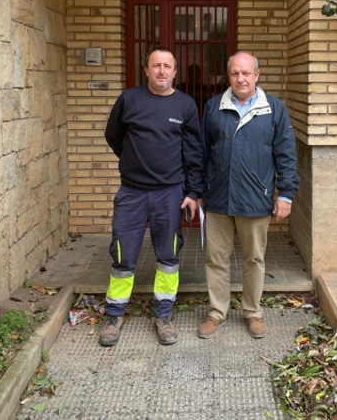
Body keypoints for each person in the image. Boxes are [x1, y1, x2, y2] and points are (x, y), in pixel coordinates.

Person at [100, 47, 202, 347]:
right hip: (131, 193)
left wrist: (193, 192)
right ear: (146, 70)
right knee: (123, 255)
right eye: (155, 65)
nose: (161, 71)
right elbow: (113, 136)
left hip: (169, 194)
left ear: (174, 72)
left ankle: (163, 315)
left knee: (168, 256)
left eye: (167, 66)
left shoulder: (185, 105)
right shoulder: (129, 100)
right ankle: (115, 316)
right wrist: (133, 160)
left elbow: (194, 152)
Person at [198, 52, 299, 340]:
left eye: (246, 73)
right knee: (215, 259)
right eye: (234, 73)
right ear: (227, 76)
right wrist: (199, 189)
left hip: (256, 199)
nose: (240, 78)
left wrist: (286, 195)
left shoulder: (274, 109)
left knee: (254, 259)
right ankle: (217, 313)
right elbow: (202, 152)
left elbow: (286, 155)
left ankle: (253, 312)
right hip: (218, 197)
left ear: (257, 75)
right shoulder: (213, 107)